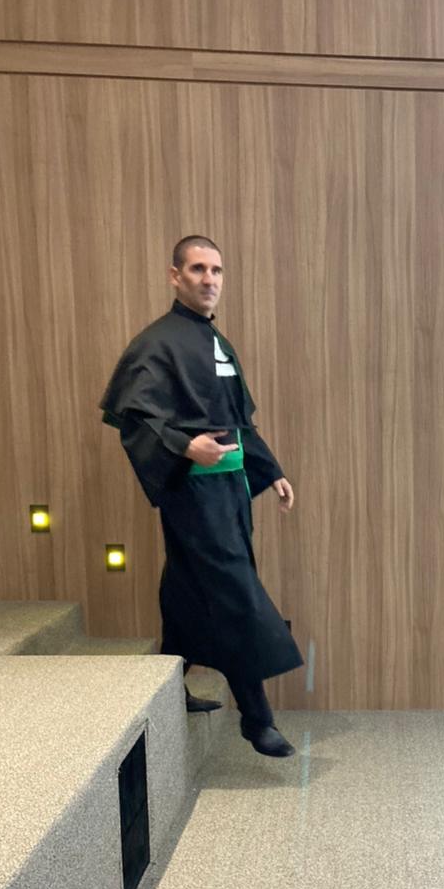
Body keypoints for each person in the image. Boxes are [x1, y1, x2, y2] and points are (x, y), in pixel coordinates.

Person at [100, 235, 302, 758]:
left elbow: (239, 422)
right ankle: (257, 719)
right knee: (234, 587)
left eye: (216, 270)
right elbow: (135, 417)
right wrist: (186, 446)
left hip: (230, 490)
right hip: (193, 492)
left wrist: (269, 470)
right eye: (197, 269)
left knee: (187, 588)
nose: (209, 279)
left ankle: (169, 682)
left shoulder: (218, 342)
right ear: (176, 276)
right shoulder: (156, 343)